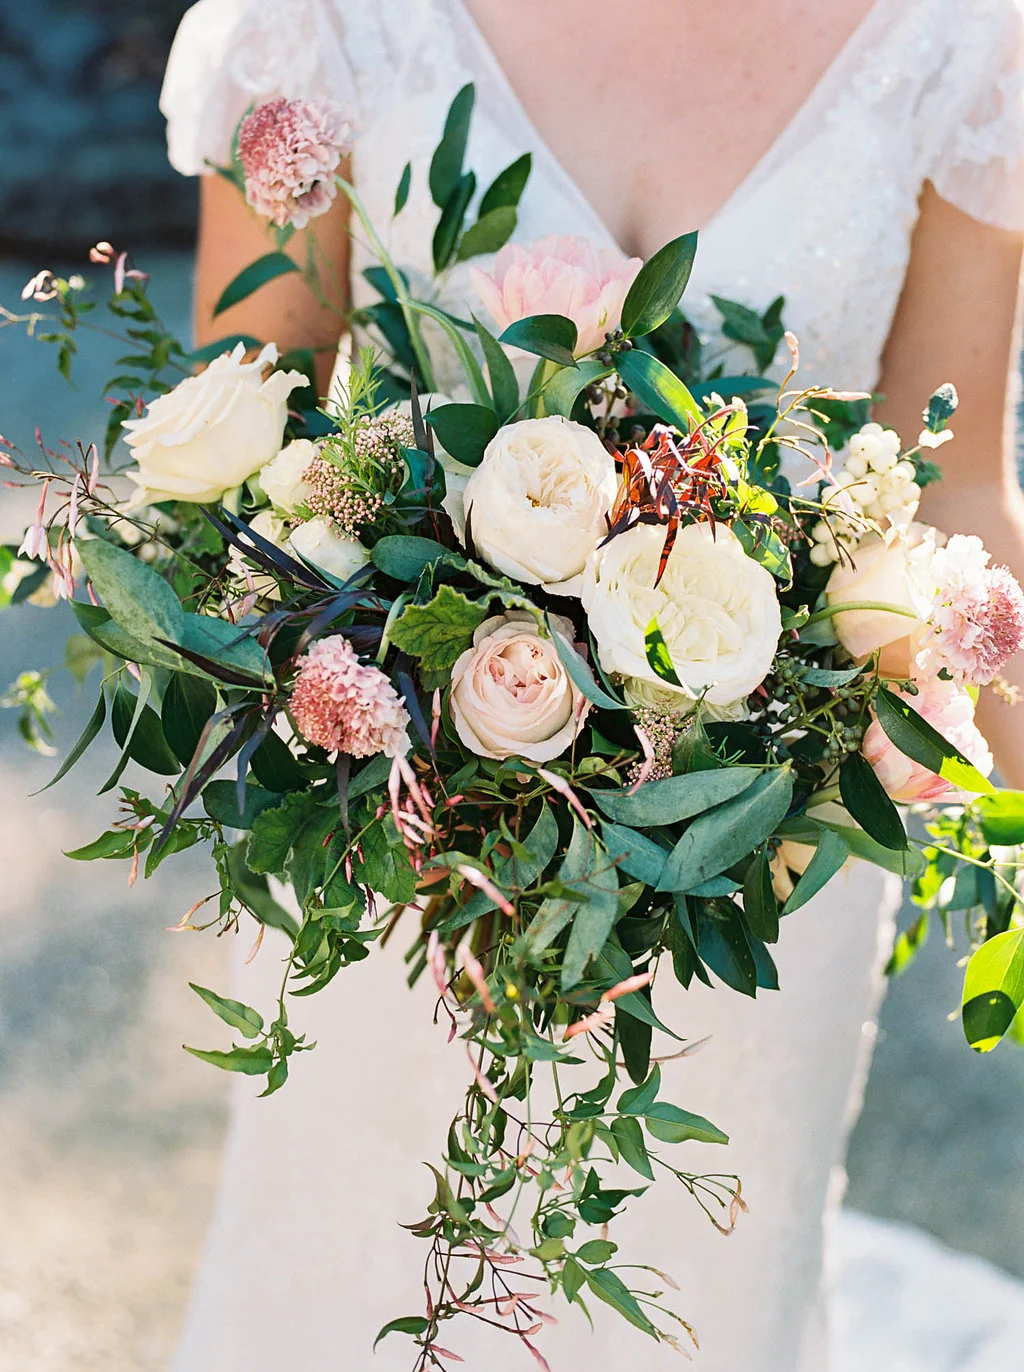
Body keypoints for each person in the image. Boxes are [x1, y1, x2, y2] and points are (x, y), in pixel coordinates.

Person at [160, 1, 1024, 1368]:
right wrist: (355, 703)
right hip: (393, 844)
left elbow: (951, 480)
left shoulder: (958, 42)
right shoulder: (325, 22)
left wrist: (982, 763)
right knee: (349, 1280)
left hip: (758, 857)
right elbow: (237, 444)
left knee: (698, 1303)